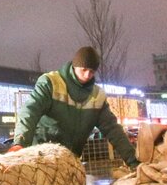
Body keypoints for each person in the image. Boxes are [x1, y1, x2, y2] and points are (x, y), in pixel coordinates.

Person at [10, 46, 139, 167]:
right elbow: (30, 111)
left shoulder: (97, 96)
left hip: (69, 162)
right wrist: (20, 143)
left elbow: (113, 130)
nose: (87, 75)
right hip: (40, 158)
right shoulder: (51, 83)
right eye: (84, 70)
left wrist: (133, 161)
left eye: (92, 71)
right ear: (75, 66)